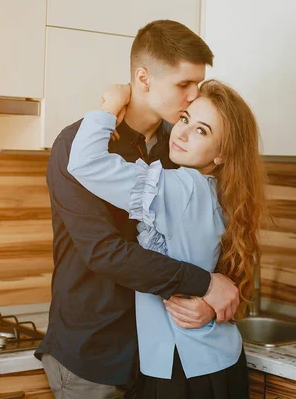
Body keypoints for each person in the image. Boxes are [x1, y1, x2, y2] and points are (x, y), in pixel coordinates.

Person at [35, 20, 241, 399]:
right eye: (184, 85)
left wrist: (215, 303)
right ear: (143, 78)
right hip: (95, 355)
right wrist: (206, 285)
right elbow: (106, 253)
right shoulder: (76, 145)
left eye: (198, 83)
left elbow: (217, 234)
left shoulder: (180, 147)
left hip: (161, 357)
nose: (195, 96)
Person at [67, 79, 267, 399]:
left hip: (181, 368)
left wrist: (109, 104)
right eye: (185, 119)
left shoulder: (176, 188)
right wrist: (209, 305)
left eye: (202, 131)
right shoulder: (222, 194)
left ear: (221, 154)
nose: (183, 132)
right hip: (221, 359)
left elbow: (83, 162)